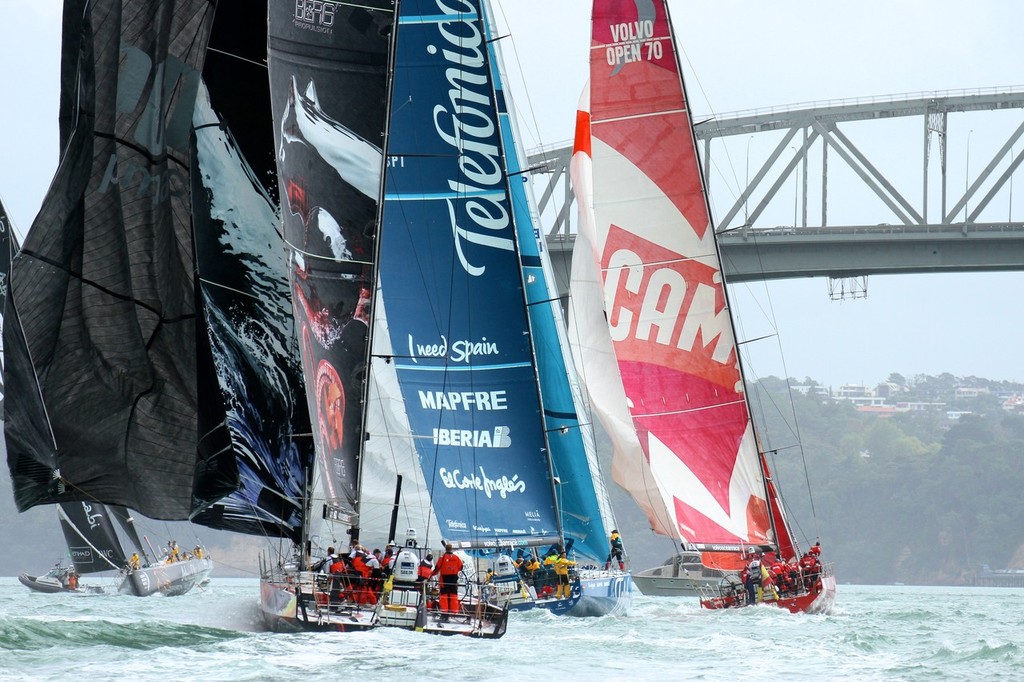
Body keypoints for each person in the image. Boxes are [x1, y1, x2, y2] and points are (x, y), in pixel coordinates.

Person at [431, 544, 463, 617]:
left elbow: (437, 568)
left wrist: (431, 575)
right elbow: (461, 567)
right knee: (453, 596)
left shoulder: (442, 558)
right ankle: (454, 612)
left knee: (444, 596)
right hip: (454, 580)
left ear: (445, 549)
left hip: (444, 580)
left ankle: (444, 612)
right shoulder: (456, 557)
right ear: (451, 549)